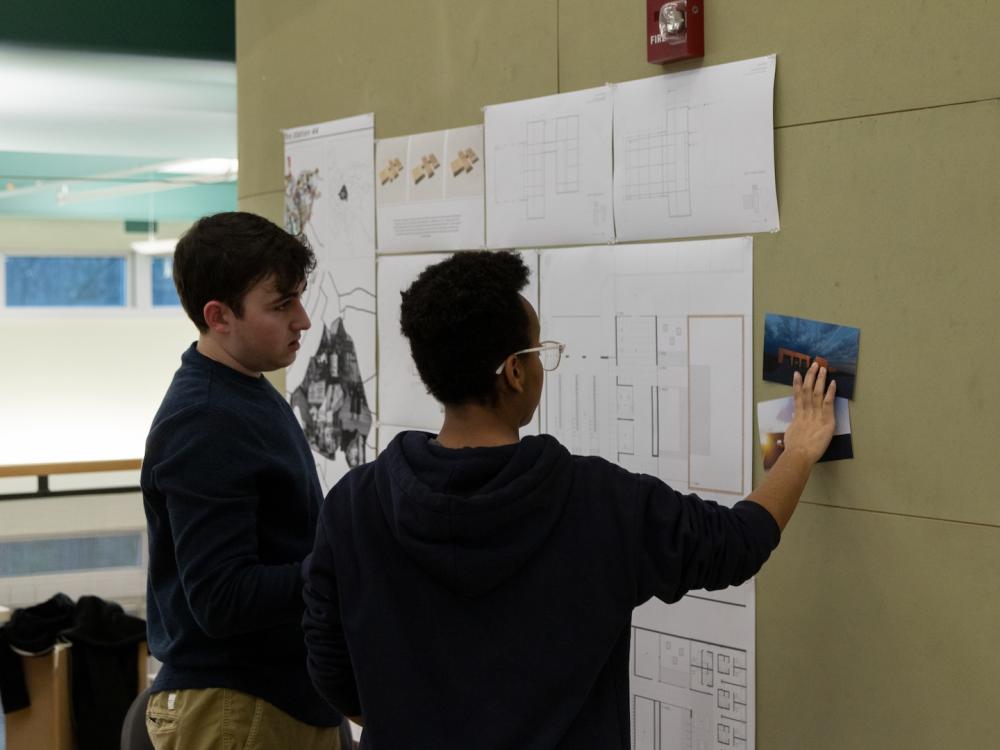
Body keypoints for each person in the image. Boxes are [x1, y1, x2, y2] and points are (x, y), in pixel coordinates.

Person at [302, 250, 835, 749]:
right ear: (515, 371)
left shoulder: (352, 505)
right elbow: (736, 544)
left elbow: (329, 665)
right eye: (538, 351)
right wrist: (800, 451)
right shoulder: (600, 503)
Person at [141, 212, 344, 749]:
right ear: (219, 315)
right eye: (281, 306)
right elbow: (221, 598)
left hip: (273, 701)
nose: (302, 319)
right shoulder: (205, 419)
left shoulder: (244, 389)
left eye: (299, 298)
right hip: (235, 712)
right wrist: (343, 563)